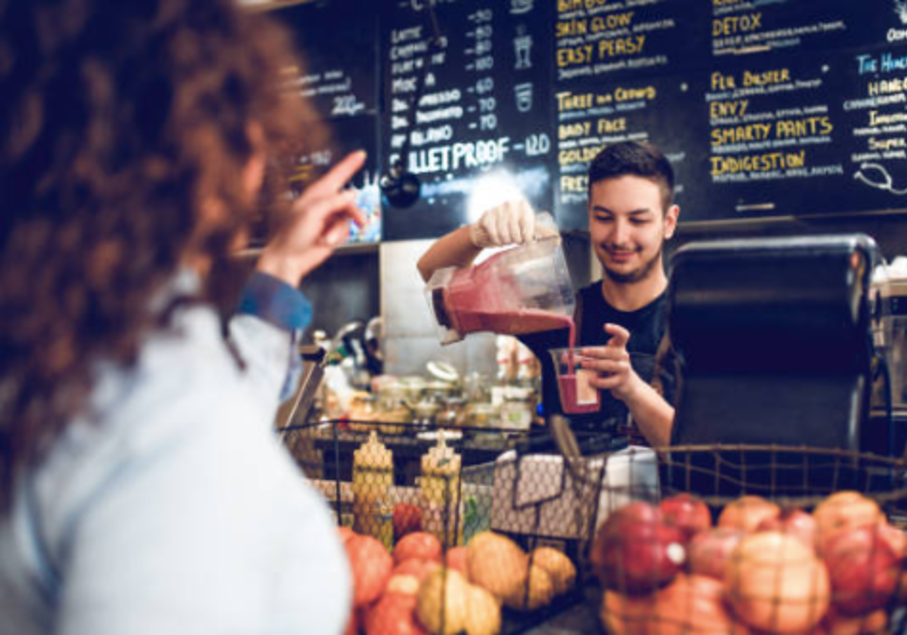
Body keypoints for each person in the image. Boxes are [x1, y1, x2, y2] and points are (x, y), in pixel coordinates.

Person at [0, 2, 366, 633]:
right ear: (220, 153)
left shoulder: (64, 336)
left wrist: (279, 272)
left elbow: (207, 405)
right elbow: (182, 437)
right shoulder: (172, 428)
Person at [417, 141, 679, 448]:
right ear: (589, 216)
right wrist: (477, 235)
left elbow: (702, 455)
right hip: (562, 494)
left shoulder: (693, 323)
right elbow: (433, 278)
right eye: (604, 217)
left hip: (666, 497)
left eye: (638, 220)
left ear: (668, 222)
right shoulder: (560, 312)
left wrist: (632, 388)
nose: (619, 236)